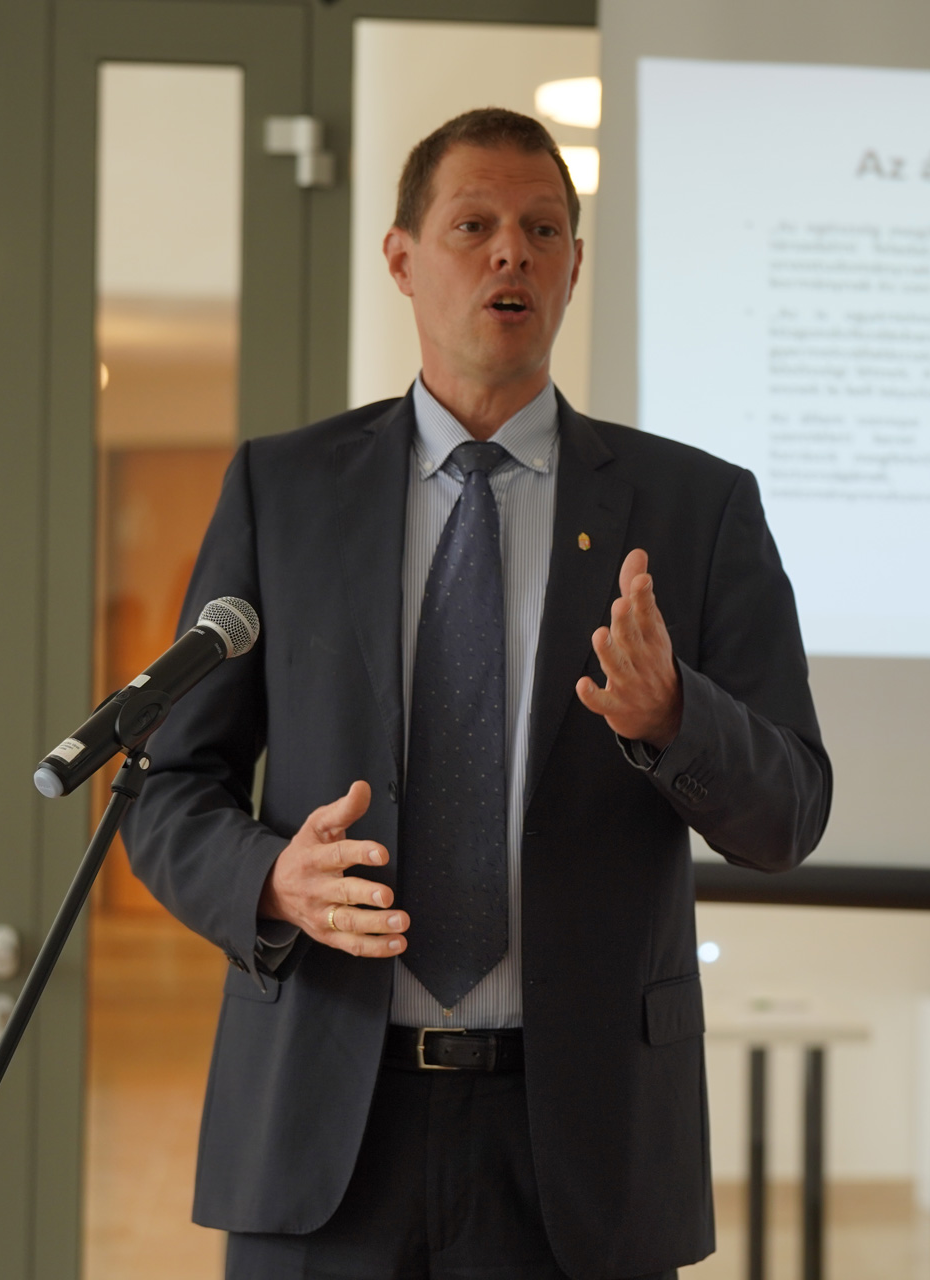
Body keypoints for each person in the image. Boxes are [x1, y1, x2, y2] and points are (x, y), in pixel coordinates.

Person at [122, 107, 831, 1280]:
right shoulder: (283, 492)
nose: (512, 251)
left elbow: (790, 809)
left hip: (583, 1146)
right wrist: (271, 879)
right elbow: (168, 786)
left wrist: (675, 719)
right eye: (474, 225)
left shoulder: (695, 509)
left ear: (573, 267)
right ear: (402, 259)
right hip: (325, 1129)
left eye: (543, 230)